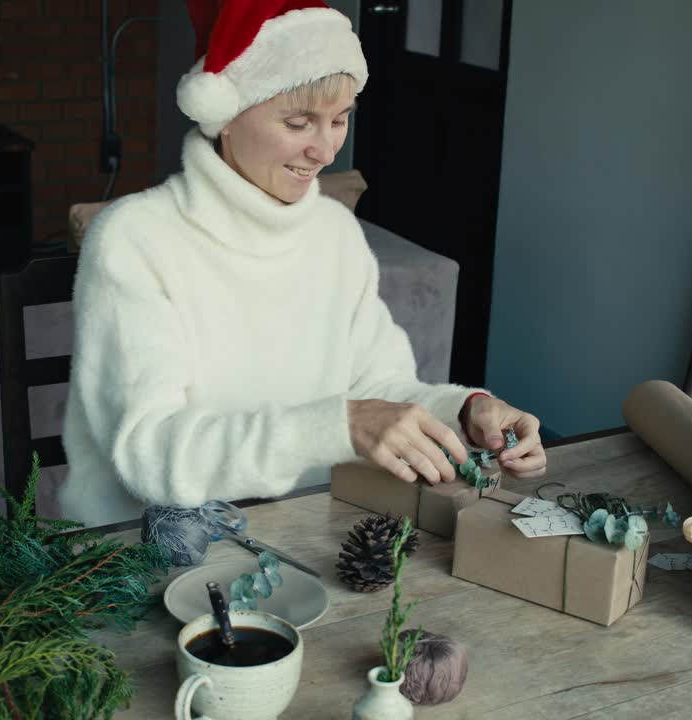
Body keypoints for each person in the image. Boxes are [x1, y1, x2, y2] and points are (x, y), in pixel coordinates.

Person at [59, 0, 545, 526]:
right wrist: (337, 425)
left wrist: (467, 411)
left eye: (339, 120)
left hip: (314, 531)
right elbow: (151, 455)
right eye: (298, 123)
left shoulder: (334, 235)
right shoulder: (135, 241)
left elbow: (379, 390)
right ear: (224, 116)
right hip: (149, 553)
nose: (325, 150)